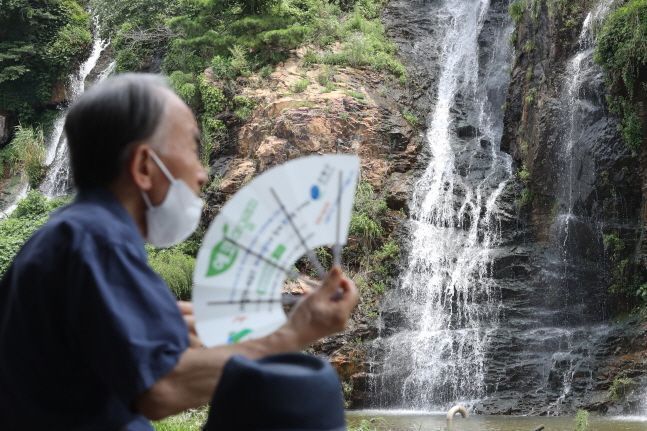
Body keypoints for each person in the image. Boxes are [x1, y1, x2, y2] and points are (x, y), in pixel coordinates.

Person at [0, 73, 359, 430]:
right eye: (192, 148)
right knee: (312, 396)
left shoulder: (70, 235)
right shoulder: (97, 241)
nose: (202, 174)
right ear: (143, 167)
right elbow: (162, 388)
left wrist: (160, 321)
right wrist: (295, 333)